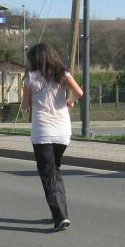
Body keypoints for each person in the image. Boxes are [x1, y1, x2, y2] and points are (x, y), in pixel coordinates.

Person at [21, 42, 83, 232]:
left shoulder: (30, 77)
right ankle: (61, 212)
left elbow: (25, 105)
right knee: (56, 170)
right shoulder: (62, 73)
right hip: (62, 131)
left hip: (43, 132)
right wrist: (69, 102)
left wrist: (31, 101)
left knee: (48, 175)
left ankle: (60, 217)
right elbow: (79, 92)